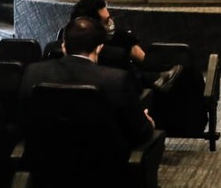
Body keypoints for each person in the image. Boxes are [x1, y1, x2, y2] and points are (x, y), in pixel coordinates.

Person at [21, 17, 155, 148]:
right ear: (99, 48)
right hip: (103, 166)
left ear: (63, 47)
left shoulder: (33, 72)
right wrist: (148, 124)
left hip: (45, 163)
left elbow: (24, 121)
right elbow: (140, 135)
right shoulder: (117, 80)